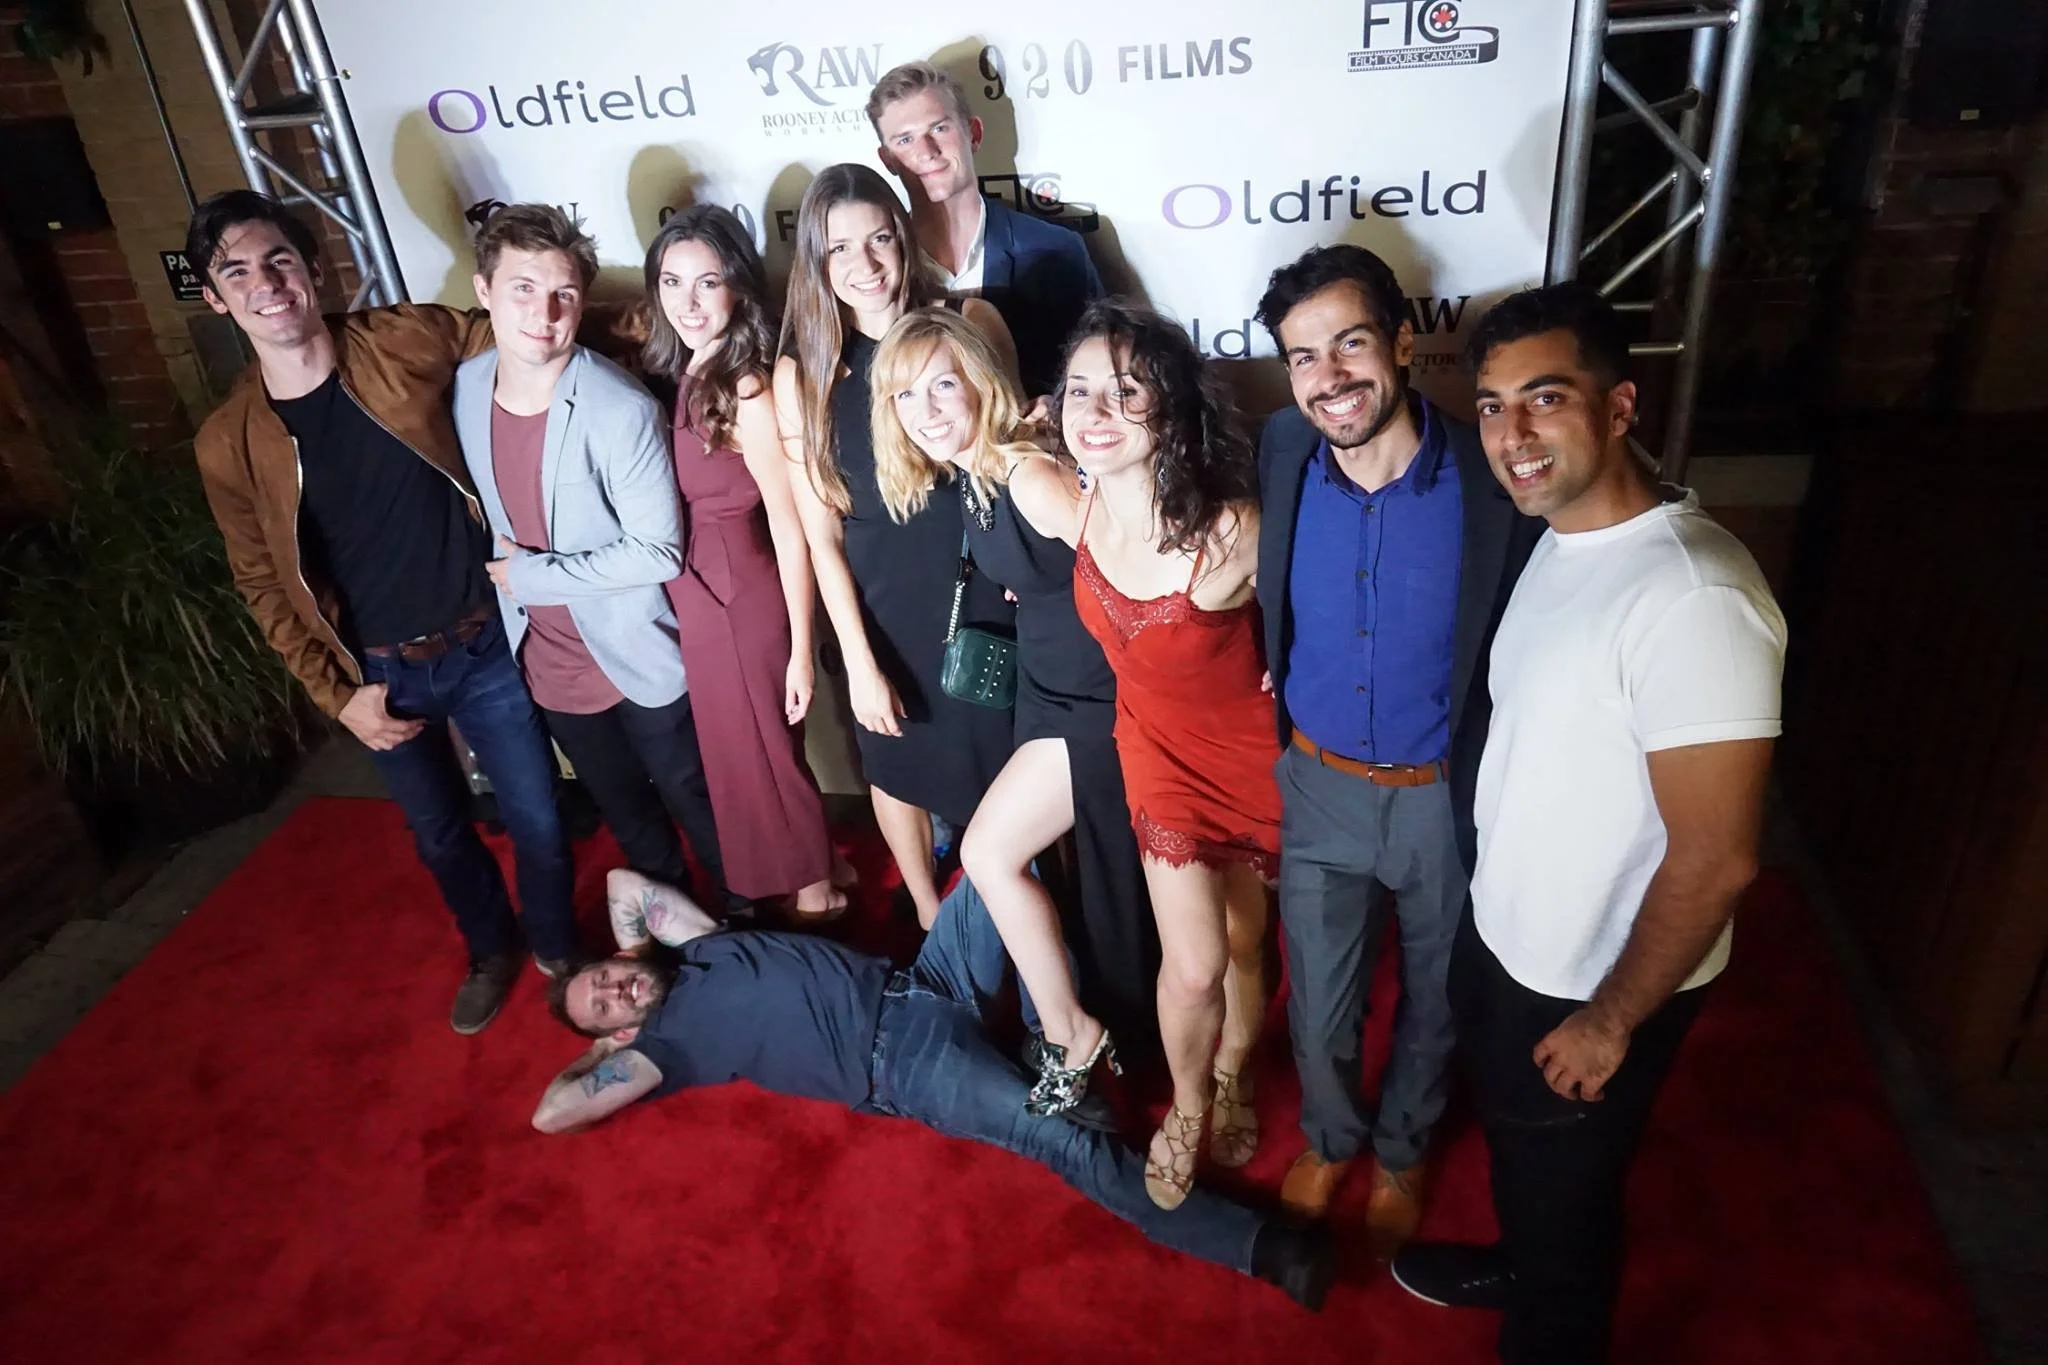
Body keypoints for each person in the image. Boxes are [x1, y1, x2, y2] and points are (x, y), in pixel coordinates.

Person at [1389, 284, 1785, 1365]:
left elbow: (1716, 859)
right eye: (1490, 406)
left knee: (1569, 1208)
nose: (1509, 436)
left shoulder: (1693, 595)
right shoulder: (1557, 541)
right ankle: (1521, 1259)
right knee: (1532, 1169)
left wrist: (1610, 1019)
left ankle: (1546, 1311)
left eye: (1543, 400)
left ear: (1617, 407)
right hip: (1510, 940)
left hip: (1592, 980)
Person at [532, 867, 1335, 1311]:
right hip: (900, 1063)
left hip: (926, 977)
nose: (617, 989)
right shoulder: (663, 1052)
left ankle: (1039, 1037)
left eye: (606, 977)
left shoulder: (698, 948)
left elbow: (617, 881)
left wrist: (636, 957)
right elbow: (552, 1112)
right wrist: (616, 1031)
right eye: (603, 1003)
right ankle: (1264, 1247)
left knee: (999, 868)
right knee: (1066, 1141)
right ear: (614, 1037)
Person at [189, 189, 573, 1034]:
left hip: (484, 642)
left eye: (281, 259)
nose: (268, 283)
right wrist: (339, 697)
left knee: (538, 812)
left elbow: (526, 342)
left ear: (314, 267)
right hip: (380, 676)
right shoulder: (227, 441)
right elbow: (261, 581)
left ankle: (557, 946)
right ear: (215, 297)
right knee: (438, 834)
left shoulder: (405, 339)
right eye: (239, 271)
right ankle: (489, 947)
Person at [1251, 245, 1543, 1257]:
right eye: (1301, 357)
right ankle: (1331, 1139)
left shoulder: (1487, 478)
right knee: (1317, 998)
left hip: (1442, 799)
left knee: (1436, 993)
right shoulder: (1280, 454)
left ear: (1402, 342)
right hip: (1317, 785)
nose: (1327, 376)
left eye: (1349, 343)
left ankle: (1405, 1146)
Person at [1023, 301, 1281, 1208]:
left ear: (1170, 408)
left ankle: (1239, 1066)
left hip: (1253, 755)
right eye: (1080, 390)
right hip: (1156, 753)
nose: (1092, 411)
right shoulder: (1073, 498)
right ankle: (1188, 1103)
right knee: (1197, 962)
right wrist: (1014, 437)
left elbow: (1328, 598)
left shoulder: (1234, 528)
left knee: (1249, 939)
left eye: (1124, 392)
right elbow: (1002, 452)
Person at [869, 306, 1159, 1093]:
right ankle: (1079, 1027)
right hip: (1047, 694)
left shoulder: (1025, 473)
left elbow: (1135, 560)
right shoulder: (978, 475)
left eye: (942, 386)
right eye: (904, 396)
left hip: (1092, 703)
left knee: (989, 853)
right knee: (1045, 866)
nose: (926, 411)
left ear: (978, 383)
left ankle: (1077, 1035)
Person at [452, 204, 739, 925]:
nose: (545, 314)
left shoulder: (618, 406)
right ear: (484, 289)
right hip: (548, 664)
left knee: (698, 804)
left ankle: (746, 931)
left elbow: (658, 550)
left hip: (639, 655)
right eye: (523, 289)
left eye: (564, 295)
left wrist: (531, 577)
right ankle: (675, 938)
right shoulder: (462, 388)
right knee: (630, 818)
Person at [775, 163, 1018, 929]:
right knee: (896, 766)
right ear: (815, 261)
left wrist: (1028, 574)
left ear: (904, 239)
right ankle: (927, 919)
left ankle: (1024, 914)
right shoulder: (803, 375)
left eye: (879, 238)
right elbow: (820, 533)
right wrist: (860, 662)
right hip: (882, 607)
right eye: (839, 247)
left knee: (1008, 772)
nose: (865, 264)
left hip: (981, 590)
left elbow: (1015, 460)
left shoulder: (971, 320)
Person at [642, 204, 847, 921]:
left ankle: (821, 905)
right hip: (704, 600)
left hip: (742, 600)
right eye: (672, 283)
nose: (688, 303)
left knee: (768, 764)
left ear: (738, 286)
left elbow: (790, 527)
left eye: (707, 283)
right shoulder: (690, 370)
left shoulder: (749, 387)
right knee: (746, 764)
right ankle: (818, 877)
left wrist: (799, 649)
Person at [867, 60, 1103, 399]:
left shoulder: (1057, 252)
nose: (926, 151)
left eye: (939, 129)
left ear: (973, 134)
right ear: (887, 159)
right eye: (905, 140)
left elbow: (1100, 375)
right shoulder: (874, 271)